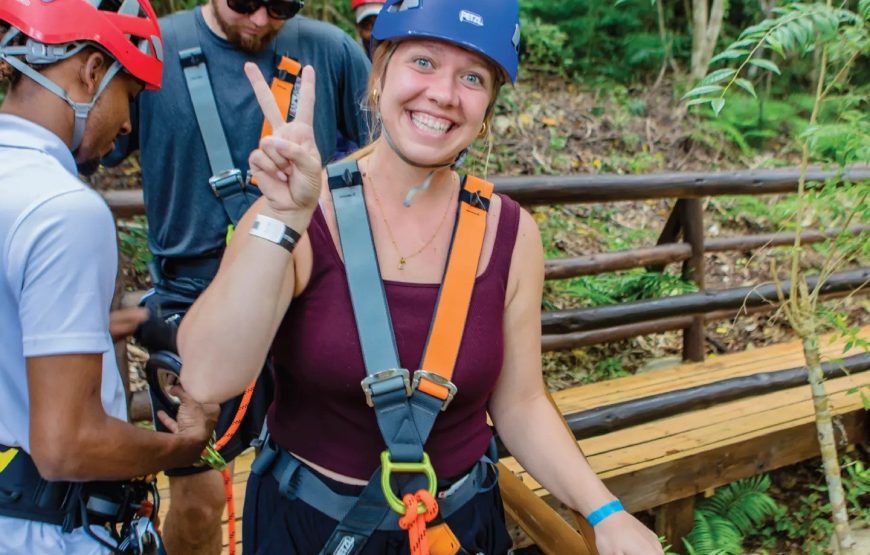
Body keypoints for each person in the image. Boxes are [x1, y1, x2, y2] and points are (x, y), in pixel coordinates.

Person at [180, 0, 665, 553]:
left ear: (487, 109)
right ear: (379, 73)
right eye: (424, 61)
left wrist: (606, 512)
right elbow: (207, 378)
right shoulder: (299, 209)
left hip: (460, 529)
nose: (444, 93)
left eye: (473, 76)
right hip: (308, 527)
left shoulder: (510, 233)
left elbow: (522, 403)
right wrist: (282, 220)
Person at [106, 0, 372, 553]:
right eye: (244, 2)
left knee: (321, 486)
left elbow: (384, 154)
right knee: (199, 501)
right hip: (195, 307)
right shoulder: (156, 44)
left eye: (281, 6)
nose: (259, 20)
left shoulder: (332, 52)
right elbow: (95, 138)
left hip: (308, 298)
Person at [0, 1, 218, 554]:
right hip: (45, 531)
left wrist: (88, 334)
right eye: (131, 95)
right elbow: (67, 445)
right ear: (92, 70)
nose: (126, 124)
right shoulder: (62, 209)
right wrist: (184, 448)